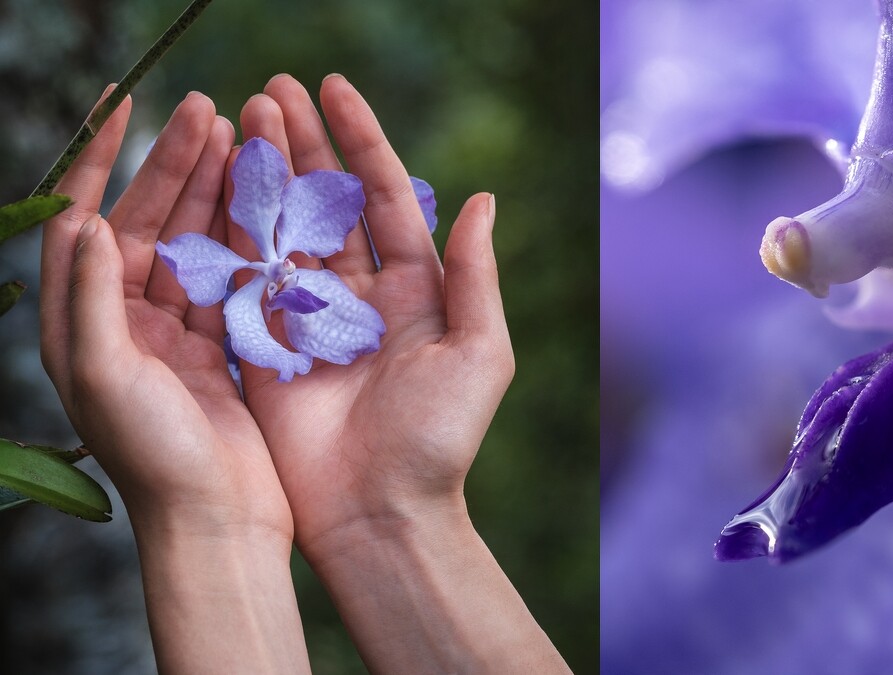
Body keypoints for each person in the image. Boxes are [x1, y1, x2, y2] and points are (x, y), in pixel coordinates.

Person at [40, 73, 570, 673]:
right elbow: (221, 293)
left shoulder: (305, 269)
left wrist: (209, 528)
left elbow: (340, 243)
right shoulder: (235, 301)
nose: (284, 271)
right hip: (239, 298)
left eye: (289, 267)